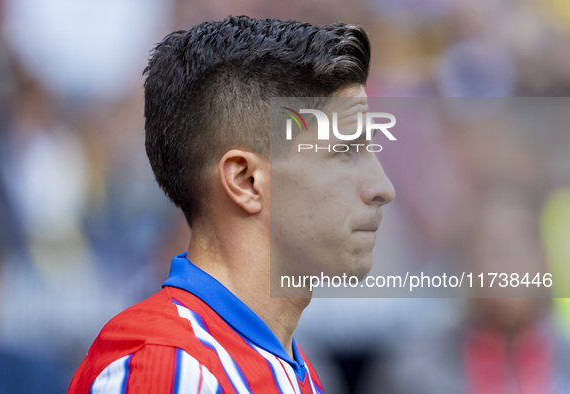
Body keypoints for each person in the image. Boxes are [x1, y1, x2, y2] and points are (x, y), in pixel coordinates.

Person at [69, 15, 394, 393]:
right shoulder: (171, 366)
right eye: (344, 152)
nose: (382, 187)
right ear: (245, 181)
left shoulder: (288, 368)